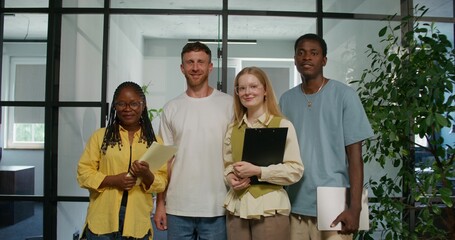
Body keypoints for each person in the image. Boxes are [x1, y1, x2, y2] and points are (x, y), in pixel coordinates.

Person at [279, 34, 374, 240]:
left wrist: (355, 208)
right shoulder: (286, 100)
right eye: (301, 53)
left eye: (314, 53)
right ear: (295, 59)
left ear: (324, 60)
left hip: (335, 204)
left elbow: (355, 158)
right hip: (295, 204)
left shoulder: (345, 95)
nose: (307, 58)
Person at [153, 41, 233, 240]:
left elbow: (235, 154)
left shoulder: (229, 104)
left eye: (200, 62)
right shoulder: (172, 108)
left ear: (210, 66)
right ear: (182, 68)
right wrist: (160, 203)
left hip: (217, 207)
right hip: (178, 206)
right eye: (190, 62)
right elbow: (164, 161)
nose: (195, 68)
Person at [77, 81, 168, 240]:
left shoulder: (154, 141)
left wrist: (147, 174)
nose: (127, 109)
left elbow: (161, 181)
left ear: (143, 105)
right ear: (114, 106)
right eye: (121, 104)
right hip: (102, 220)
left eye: (134, 104)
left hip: (137, 221)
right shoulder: (100, 137)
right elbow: (83, 174)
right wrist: (112, 180)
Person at [223, 67, 304, 240]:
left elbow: (295, 170)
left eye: (253, 86)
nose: (247, 92)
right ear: (237, 93)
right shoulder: (232, 129)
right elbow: (227, 165)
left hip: (270, 208)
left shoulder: (282, 125)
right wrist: (230, 177)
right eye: (242, 88)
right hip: (237, 208)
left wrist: (259, 171)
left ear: (265, 90)